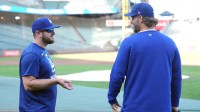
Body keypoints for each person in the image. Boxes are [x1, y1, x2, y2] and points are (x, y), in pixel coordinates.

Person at [108, 2, 182, 112]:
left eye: (132, 18)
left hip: (134, 107)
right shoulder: (170, 43)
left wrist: (112, 99)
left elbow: (117, 75)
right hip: (163, 108)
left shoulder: (129, 43)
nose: (131, 22)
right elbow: (176, 77)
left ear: (140, 18)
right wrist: (174, 104)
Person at [19, 17, 73, 112]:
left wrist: (57, 80)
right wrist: (56, 81)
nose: (53, 33)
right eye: (49, 30)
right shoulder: (32, 54)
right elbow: (28, 84)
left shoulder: (41, 51)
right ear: (38, 33)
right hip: (35, 109)